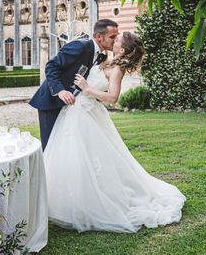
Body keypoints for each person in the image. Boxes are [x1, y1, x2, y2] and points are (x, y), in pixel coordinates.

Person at [44, 32, 185, 233]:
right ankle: (68, 202)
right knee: (73, 158)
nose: (114, 41)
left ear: (123, 49)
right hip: (77, 111)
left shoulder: (117, 69)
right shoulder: (107, 62)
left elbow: (112, 97)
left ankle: (91, 204)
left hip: (87, 114)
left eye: (117, 40)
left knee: (91, 160)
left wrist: (86, 87)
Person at [29, 18, 119, 150]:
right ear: (99, 37)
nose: (115, 40)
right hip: (51, 103)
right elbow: (51, 66)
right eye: (113, 37)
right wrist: (60, 91)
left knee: (68, 147)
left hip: (73, 106)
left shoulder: (102, 56)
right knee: (51, 148)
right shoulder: (80, 46)